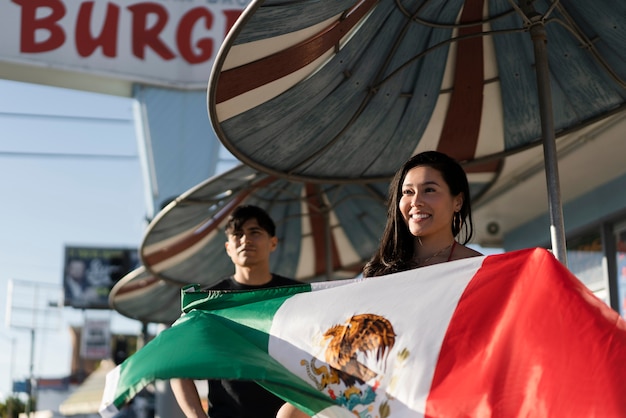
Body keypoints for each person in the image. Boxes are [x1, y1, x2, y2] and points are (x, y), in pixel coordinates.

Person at [275, 150, 483, 418]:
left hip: (445, 389)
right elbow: (356, 336)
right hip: (381, 383)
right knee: (289, 414)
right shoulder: (380, 270)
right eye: (407, 193)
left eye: (429, 190)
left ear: (457, 201)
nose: (416, 201)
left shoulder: (478, 269)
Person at [170, 204, 300, 418]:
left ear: (273, 243)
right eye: (237, 235)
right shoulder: (208, 302)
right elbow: (177, 364)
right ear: (228, 247)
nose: (245, 240)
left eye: (254, 232)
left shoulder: (296, 297)